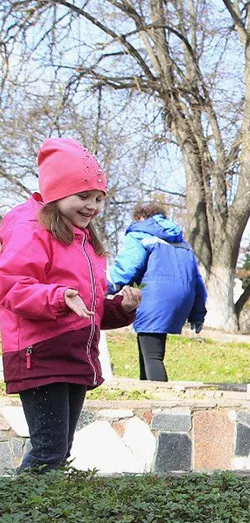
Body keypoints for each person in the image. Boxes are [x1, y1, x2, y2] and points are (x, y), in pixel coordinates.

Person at [0, 137, 142, 472]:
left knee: (59, 451)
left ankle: (44, 519)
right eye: (83, 196)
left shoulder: (85, 240)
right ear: (56, 191)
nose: (92, 206)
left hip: (75, 353)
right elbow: (12, 288)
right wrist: (58, 296)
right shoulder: (31, 227)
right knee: (48, 452)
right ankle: (19, 520)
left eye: (98, 198)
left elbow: (86, 308)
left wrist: (122, 307)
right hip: (41, 353)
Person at [107, 201, 207, 382]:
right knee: (149, 344)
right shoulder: (183, 244)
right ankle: (146, 391)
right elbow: (197, 282)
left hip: (153, 296)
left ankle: (163, 403)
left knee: (153, 356)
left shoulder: (140, 234)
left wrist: (106, 286)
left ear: (141, 217)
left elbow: (129, 265)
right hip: (182, 298)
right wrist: (198, 314)